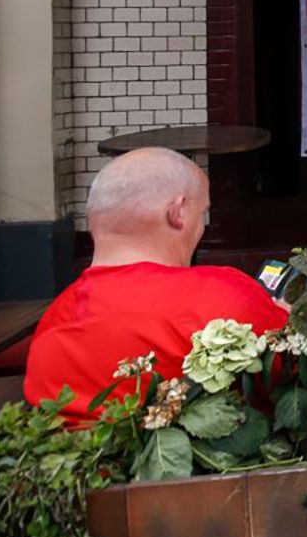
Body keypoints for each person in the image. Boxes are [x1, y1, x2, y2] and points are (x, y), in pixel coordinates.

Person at [24, 148, 289, 422]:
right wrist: (281, 315)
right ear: (177, 213)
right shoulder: (224, 294)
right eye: (203, 213)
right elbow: (297, 378)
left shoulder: (53, 320)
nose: (202, 226)